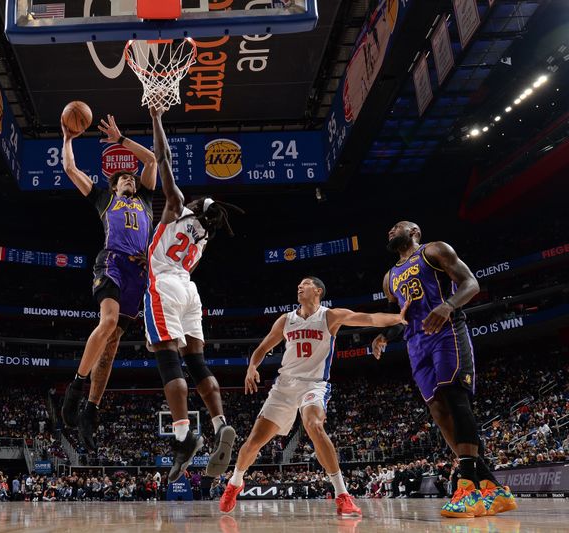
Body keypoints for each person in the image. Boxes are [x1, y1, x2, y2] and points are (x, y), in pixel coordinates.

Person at [219, 277, 409, 516]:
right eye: (298, 283)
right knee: (253, 443)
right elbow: (262, 348)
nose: (299, 286)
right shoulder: (286, 320)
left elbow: (369, 318)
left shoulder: (330, 316)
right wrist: (251, 367)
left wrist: (398, 317)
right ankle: (235, 482)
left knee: (314, 425)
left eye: (305, 283)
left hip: (314, 384)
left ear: (318, 291)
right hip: (284, 386)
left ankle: (342, 495)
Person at [371, 221, 517, 518]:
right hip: (415, 343)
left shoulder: (434, 250)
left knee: (454, 396)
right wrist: (384, 335)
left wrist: (448, 305)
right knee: (437, 410)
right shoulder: (389, 278)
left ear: (414, 232)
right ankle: (492, 486)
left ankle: (467, 486)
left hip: (445, 330)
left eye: (397, 226)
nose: (390, 230)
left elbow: (471, 283)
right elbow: (398, 315)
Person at [146, 106, 242, 482]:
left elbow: (164, 157)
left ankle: (184, 437)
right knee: (198, 361)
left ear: (196, 206)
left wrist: (156, 118)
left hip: (166, 286)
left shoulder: (175, 208)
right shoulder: (203, 238)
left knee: (167, 359)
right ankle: (220, 425)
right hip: (189, 288)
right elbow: (181, 262)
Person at [61, 113, 157, 450]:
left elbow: (151, 159)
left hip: (139, 275)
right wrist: (68, 139)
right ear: (114, 184)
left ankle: (91, 409)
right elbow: (71, 171)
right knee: (109, 320)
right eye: (124, 177)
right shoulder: (105, 199)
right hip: (112, 262)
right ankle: (76, 386)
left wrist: (121, 139)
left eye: (132, 177)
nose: (131, 178)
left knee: (112, 345)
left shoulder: (145, 199)